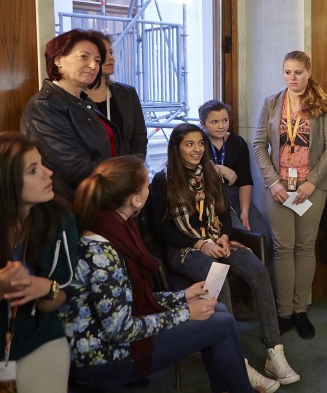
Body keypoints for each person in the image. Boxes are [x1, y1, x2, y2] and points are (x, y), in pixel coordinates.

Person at [61, 156, 278, 392]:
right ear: (136, 200)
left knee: (218, 309)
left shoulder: (112, 227)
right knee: (223, 323)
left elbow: (130, 300)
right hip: (103, 358)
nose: (149, 190)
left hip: (114, 338)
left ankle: (227, 388)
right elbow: (120, 329)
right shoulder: (101, 252)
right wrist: (185, 312)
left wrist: (183, 296)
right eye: (146, 186)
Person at [150, 123, 299, 385]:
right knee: (219, 279)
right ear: (176, 148)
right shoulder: (163, 180)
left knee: (258, 270)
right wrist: (201, 245)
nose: (197, 149)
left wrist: (224, 236)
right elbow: (162, 229)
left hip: (216, 239)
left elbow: (222, 214)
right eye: (189, 144)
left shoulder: (211, 173)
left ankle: (274, 351)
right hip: (184, 248)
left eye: (200, 143)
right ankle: (236, 361)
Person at [253, 51, 327, 338]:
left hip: (309, 189)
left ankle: (300, 310)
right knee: (282, 248)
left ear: (309, 72)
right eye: (287, 72)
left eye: (298, 72)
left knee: (304, 247)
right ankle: (283, 312)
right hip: (279, 188)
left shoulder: (322, 105)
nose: (292, 78)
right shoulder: (271, 103)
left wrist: (312, 182)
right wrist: (273, 181)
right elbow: (258, 145)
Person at [0, 132, 77, 393]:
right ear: (4, 181)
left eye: (42, 164)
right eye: (33, 170)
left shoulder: (59, 218)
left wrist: (46, 288)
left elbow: (58, 298)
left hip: (38, 335)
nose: (48, 173)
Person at [20, 28, 119, 200]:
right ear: (58, 60)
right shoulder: (45, 106)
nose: (93, 65)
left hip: (97, 198)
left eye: (97, 60)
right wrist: (120, 190)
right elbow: (76, 168)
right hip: (72, 203)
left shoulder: (82, 100)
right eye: (84, 56)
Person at [199, 99, 266, 234]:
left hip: (234, 196)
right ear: (203, 124)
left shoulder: (238, 142)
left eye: (225, 120)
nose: (221, 126)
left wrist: (245, 212)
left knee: (263, 235)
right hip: (209, 199)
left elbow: (245, 180)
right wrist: (220, 170)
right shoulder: (198, 143)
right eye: (214, 122)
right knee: (243, 236)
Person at [84, 32, 147, 159]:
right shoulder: (74, 97)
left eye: (111, 53)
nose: (110, 58)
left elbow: (139, 139)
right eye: (103, 54)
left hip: (126, 174)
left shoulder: (127, 94)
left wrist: (132, 171)